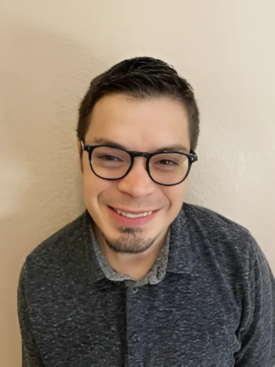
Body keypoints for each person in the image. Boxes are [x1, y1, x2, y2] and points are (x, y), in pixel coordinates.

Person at [18, 56, 274, 367]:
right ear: (80, 156)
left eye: (166, 160)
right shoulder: (41, 273)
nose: (137, 188)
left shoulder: (238, 259)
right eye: (111, 156)